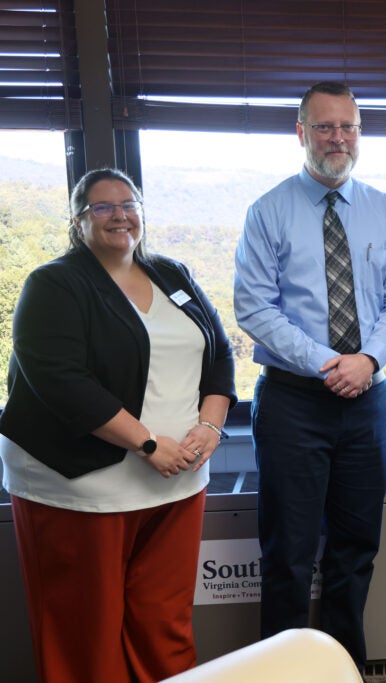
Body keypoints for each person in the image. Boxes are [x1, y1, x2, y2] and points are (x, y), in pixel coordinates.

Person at [0, 168, 236, 682]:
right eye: (102, 207)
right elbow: (61, 381)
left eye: (128, 204)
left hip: (178, 480)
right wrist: (149, 444)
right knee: (85, 628)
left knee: (164, 620)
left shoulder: (173, 274)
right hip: (83, 485)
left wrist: (210, 428)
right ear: (77, 219)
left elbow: (220, 355)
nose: (119, 215)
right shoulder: (55, 284)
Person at [234, 81, 386, 671]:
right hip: (295, 402)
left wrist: (365, 362)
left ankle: (345, 671)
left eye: (348, 126)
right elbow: (254, 307)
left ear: (359, 133)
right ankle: (284, 674)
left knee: (355, 550)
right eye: (324, 126)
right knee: (287, 555)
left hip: (369, 401)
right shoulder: (268, 210)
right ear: (301, 133)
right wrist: (327, 363)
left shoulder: (383, 208)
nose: (337, 138)